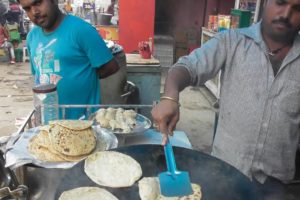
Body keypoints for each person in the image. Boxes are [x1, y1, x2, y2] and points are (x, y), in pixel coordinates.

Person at [151, 0, 300, 199]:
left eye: (297, 8)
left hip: (276, 185)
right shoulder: (232, 41)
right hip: (223, 172)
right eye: (280, 3)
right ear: (265, 3)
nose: (286, 13)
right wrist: (170, 96)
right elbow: (186, 67)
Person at [18, 0, 119, 119]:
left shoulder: (82, 30)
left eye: (38, 3)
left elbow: (111, 67)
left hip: (83, 122)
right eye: (27, 9)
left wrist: (84, 77)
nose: (34, 12)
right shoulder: (32, 37)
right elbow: (38, 75)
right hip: (49, 122)